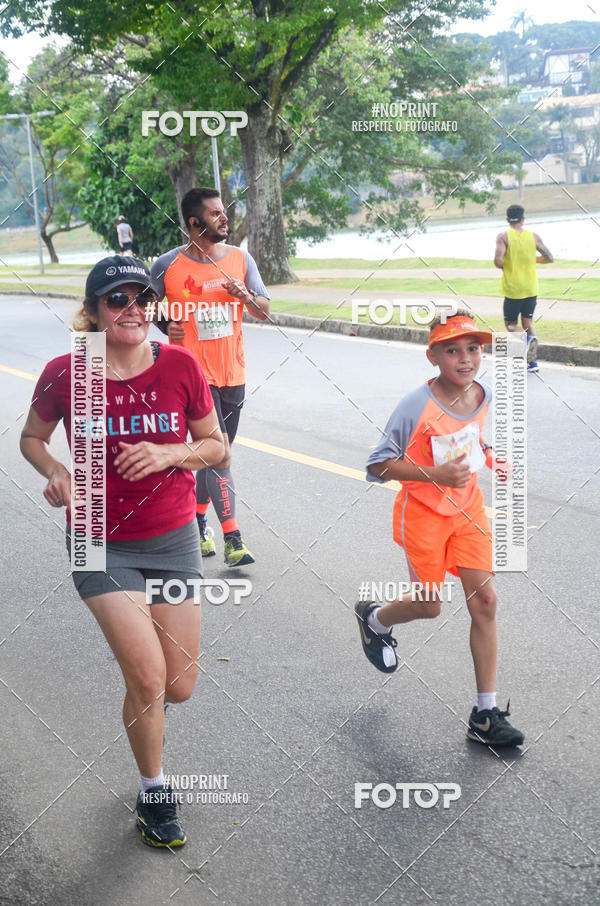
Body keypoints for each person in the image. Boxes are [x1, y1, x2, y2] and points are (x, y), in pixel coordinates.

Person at [20, 255, 225, 848]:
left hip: (173, 537)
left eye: (143, 298)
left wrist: (168, 454)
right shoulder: (67, 373)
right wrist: (57, 471)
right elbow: (32, 439)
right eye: (118, 300)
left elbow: (216, 447)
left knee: (179, 684)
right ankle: (155, 791)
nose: (134, 309)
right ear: (93, 313)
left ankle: (147, 719)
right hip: (96, 539)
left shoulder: (181, 365)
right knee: (148, 674)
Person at [355, 311, 524, 748]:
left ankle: (484, 714)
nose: (465, 359)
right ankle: (374, 619)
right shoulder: (417, 404)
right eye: (452, 350)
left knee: (485, 601)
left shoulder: (482, 394)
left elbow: (470, 436)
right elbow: (377, 465)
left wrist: (489, 455)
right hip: (425, 516)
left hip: (468, 511)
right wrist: (434, 474)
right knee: (430, 607)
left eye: (473, 348)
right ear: (433, 356)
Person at [151, 187, 270, 567]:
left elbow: (264, 311)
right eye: (216, 213)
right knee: (221, 454)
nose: (224, 218)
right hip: (191, 379)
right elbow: (147, 307)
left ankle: (198, 518)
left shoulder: (240, 259)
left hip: (233, 374)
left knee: (211, 454)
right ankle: (233, 538)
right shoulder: (167, 265)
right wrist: (167, 325)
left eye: (223, 212)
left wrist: (245, 297)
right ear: (194, 223)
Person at [494, 204, 553, 373]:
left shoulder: (503, 236)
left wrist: (512, 261)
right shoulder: (533, 237)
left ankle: (527, 343)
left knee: (511, 325)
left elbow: (498, 261)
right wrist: (531, 259)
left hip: (514, 289)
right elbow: (549, 257)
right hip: (531, 288)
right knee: (528, 323)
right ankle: (533, 363)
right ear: (523, 219)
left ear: (507, 220)